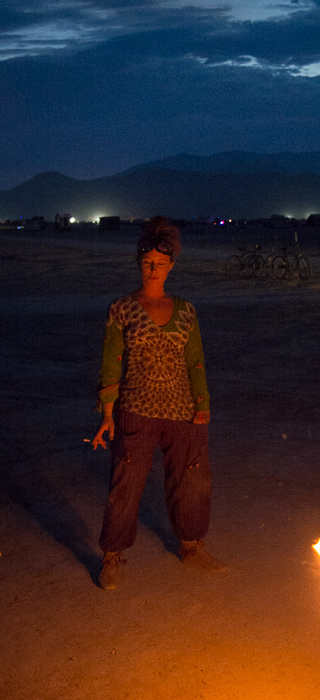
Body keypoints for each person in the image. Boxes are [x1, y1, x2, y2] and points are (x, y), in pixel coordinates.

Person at [92, 216, 227, 589]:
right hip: (136, 409)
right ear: (139, 263)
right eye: (148, 262)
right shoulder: (121, 309)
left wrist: (202, 407)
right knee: (126, 483)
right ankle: (112, 556)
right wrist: (107, 412)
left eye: (161, 263)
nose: (154, 269)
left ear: (172, 266)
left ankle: (192, 546)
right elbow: (111, 361)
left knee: (191, 480)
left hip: (183, 411)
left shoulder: (186, 311)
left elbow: (195, 361)